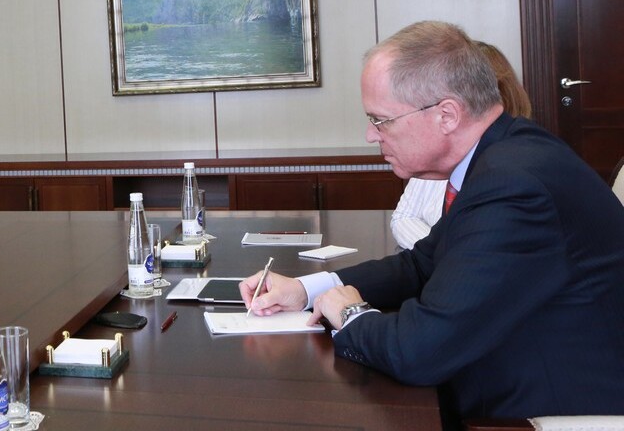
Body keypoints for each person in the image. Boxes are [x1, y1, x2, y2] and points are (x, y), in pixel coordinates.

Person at [241, 21, 624, 428]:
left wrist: (350, 313)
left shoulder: (513, 184)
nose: (371, 135)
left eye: (381, 119)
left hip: (552, 406)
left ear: (447, 115)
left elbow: (418, 352)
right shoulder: (503, 155)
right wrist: (307, 290)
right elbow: (421, 264)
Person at [388, 41, 533, 249]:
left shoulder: (511, 166)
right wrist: (441, 251)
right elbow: (403, 217)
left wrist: (443, 250)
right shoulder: (439, 151)